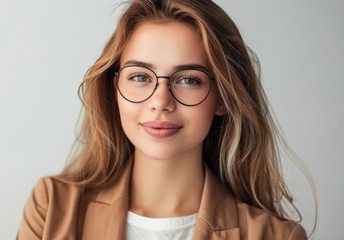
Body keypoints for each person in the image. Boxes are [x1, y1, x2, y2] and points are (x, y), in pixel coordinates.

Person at [17, 0, 315, 239]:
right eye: (139, 77)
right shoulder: (51, 208)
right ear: (115, 89)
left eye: (188, 80)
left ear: (223, 98)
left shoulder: (276, 236)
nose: (161, 102)